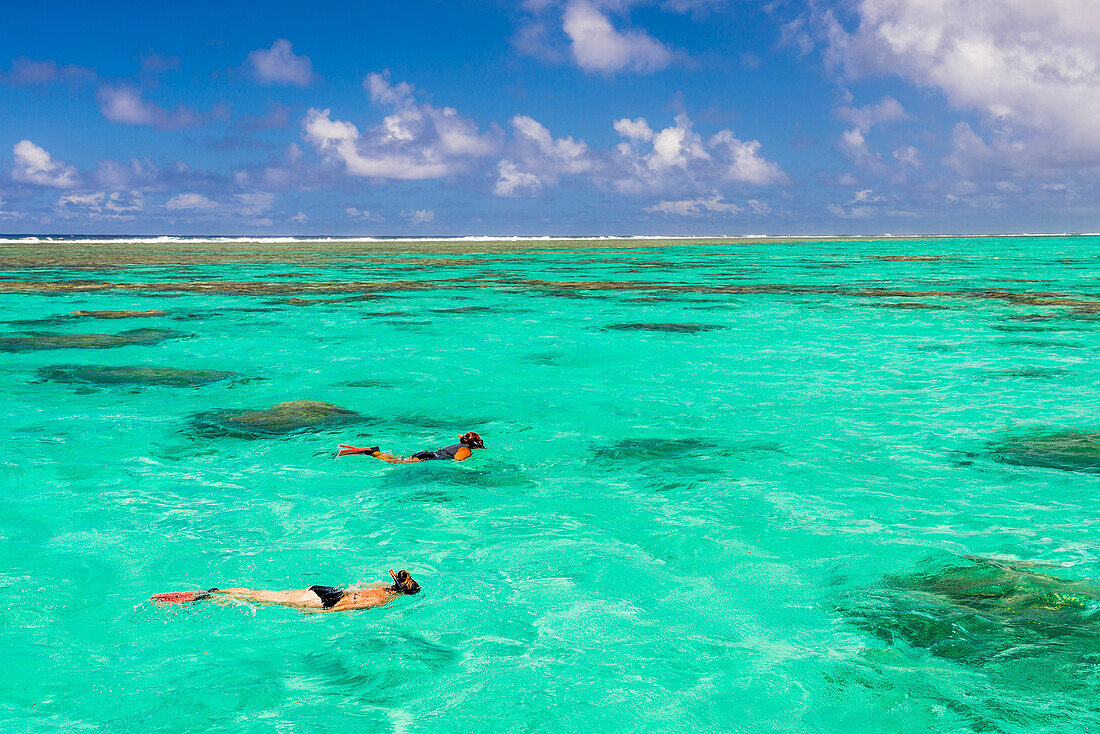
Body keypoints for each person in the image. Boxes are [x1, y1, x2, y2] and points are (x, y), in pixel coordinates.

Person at [151, 570, 421, 612]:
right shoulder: (384, 599)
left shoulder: (381, 586)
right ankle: (202, 598)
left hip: (326, 589)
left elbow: (353, 591)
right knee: (265, 600)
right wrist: (319, 614)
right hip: (328, 600)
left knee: (261, 594)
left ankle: (214, 592)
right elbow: (347, 607)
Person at [337, 431, 486, 463]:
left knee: (396, 458)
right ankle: (371, 453)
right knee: (397, 463)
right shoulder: (465, 450)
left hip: (426, 454)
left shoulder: (455, 445)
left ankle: (375, 451)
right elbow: (458, 460)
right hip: (427, 458)